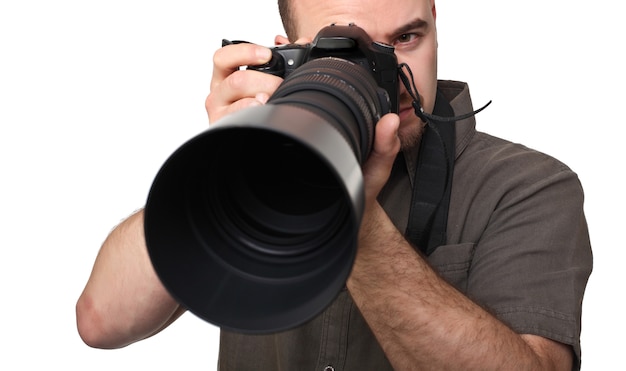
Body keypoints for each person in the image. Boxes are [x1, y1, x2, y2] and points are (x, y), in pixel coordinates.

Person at [76, 0, 593, 369]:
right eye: (351, 52)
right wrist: (227, 159)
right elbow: (102, 323)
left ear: (436, 24)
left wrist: (352, 206)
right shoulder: (252, 169)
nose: (388, 73)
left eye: (407, 39)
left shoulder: (528, 185)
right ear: (287, 54)